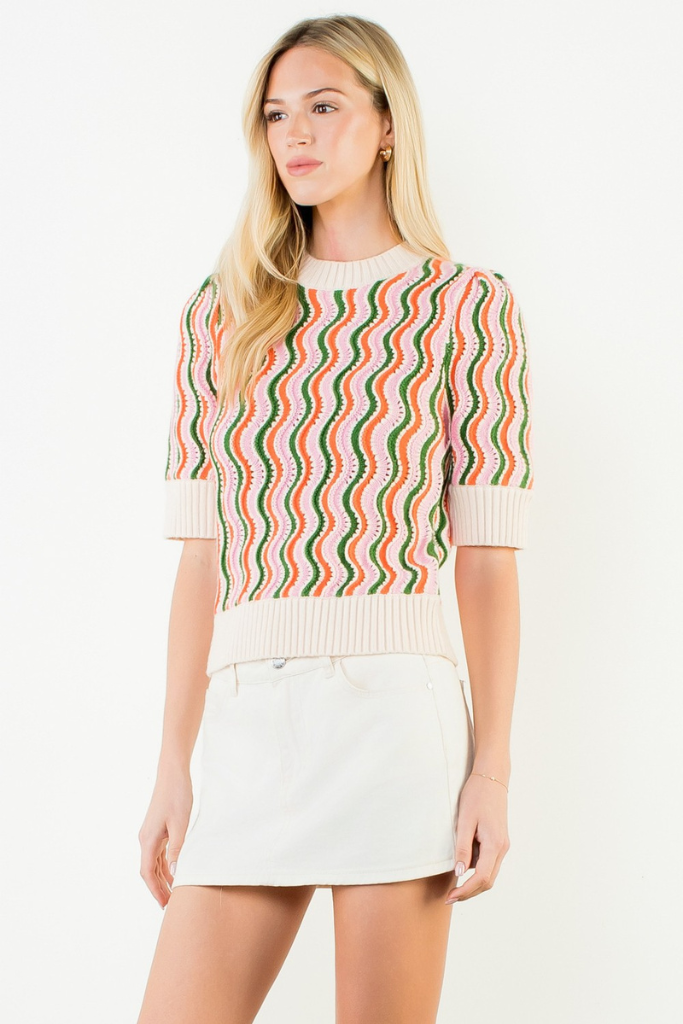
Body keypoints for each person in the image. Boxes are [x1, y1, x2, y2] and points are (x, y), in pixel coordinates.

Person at [136, 13, 534, 1024]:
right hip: (248, 729)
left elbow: (486, 562)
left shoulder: (466, 307)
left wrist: (489, 772)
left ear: (387, 124)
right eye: (276, 115)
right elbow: (201, 561)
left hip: (397, 726)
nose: (296, 134)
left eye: (323, 106)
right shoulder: (222, 310)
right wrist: (173, 766)